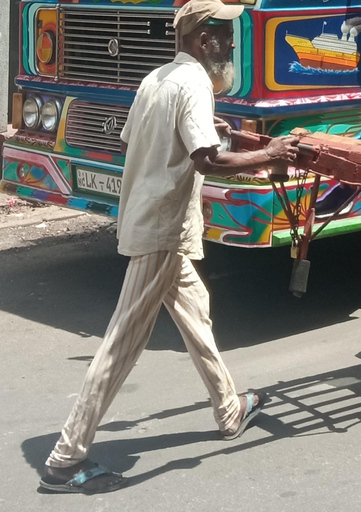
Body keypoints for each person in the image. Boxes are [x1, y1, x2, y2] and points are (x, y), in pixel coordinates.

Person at [39, 0, 299, 494]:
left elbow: (131, 141)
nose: (232, 44)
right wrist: (270, 152)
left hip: (160, 223)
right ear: (203, 41)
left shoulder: (156, 78)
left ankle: (229, 409)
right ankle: (64, 460)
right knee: (121, 344)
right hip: (160, 228)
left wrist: (205, 132)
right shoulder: (195, 83)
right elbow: (207, 162)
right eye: (225, 35)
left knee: (196, 313)